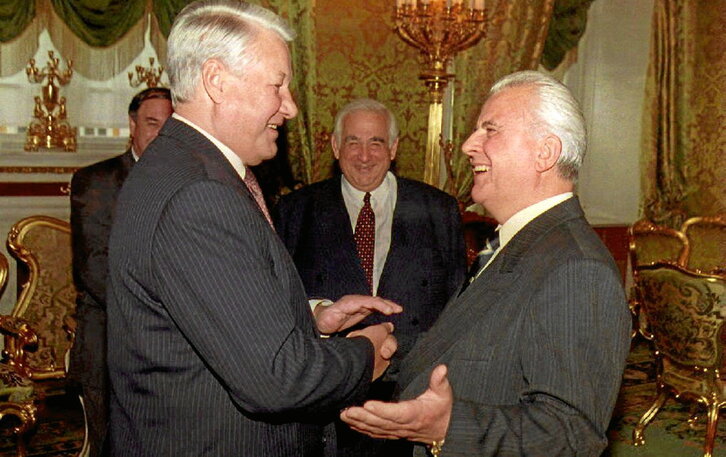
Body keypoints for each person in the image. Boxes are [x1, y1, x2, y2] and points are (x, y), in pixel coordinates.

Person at [106, 2, 399, 456]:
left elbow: (207, 308)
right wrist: (365, 352)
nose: (291, 107)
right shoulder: (199, 193)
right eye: (278, 86)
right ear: (217, 81)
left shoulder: (179, 165)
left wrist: (311, 320)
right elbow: (277, 380)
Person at [340, 70, 632, 456]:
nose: (467, 145)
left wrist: (448, 428)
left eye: (489, 130)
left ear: (545, 152)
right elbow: (477, 345)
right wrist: (392, 350)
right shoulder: (516, 243)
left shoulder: (576, 269)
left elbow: (570, 435)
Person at [274, 98, 466, 456]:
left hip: (411, 396)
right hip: (329, 402)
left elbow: (456, 303)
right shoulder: (296, 210)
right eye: (353, 142)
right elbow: (279, 302)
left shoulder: (437, 209)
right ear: (335, 146)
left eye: (376, 142)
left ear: (393, 148)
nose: (364, 155)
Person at [68, 86, 173, 457]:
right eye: (151, 123)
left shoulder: (191, 180)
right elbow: (94, 269)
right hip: (112, 337)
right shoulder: (96, 181)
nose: (160, 133)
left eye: (170, 124)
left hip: (176, 345)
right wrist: (162, 316)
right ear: (132, 125)